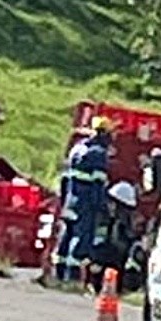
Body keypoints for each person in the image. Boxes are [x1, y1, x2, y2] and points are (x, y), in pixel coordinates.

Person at [50, 117, 113, 285]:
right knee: (81, 237)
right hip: (85, 204)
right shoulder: (98, 154)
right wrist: (102, 207)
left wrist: (63, 201)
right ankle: (73, 276)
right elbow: (97, 185)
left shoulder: (76, 149)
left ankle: (58, 273)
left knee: (66, 235)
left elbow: (65, 179)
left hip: (70, 200)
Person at [92, 180, 141, 290]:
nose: (110, 206)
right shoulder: (105, 221)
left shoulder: (125, 229)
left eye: (113, 203)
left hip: (117, 272)